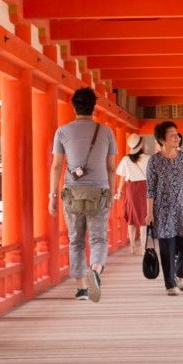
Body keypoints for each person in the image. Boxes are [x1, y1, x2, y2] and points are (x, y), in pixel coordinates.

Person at [49, 88, 117, 302]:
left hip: (73, 194)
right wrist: (112, 194)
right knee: (98, 238)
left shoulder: (62, 131)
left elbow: (57, 166)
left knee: (75, 240)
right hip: (99, 192)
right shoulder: (106, 132)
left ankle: (81, 288)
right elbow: (111, 168)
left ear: (73, 106)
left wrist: (52, 196)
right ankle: (95, 270)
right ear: (93, 107)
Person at [146, 121, 183, 296]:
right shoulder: (154, 161)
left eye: (177, 134)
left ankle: (177, 272)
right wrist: (149, 212)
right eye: (172, 135)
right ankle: (170, 284)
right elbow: (150, 188)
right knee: (167, 248)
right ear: (162, 139)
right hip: (163, 209)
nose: (177, 137)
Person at [114, 134, 150, 254]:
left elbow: (123, 177)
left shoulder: (125, 159)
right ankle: (143, 247)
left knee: (131, 218)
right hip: (145, 188)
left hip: (131, 189)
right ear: (141, 146)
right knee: (144, 217)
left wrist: (119, 192)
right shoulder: (149, 158)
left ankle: (132, 247)